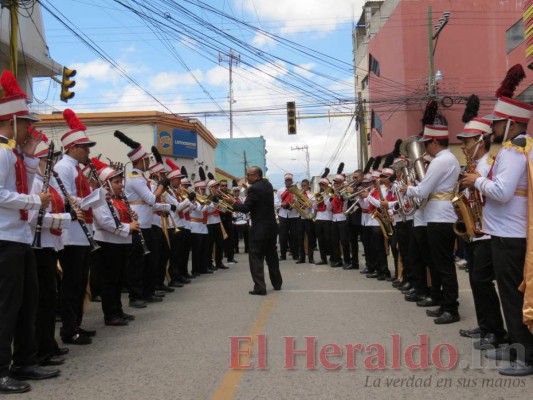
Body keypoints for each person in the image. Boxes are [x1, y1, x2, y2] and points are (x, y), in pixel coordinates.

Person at [462, 96, 533, 376]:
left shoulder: (515, 151)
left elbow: (502, 192)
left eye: (497, 123)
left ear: (512, 124)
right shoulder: (512, 148)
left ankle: (525, 355)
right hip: (505, 232)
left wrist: (475, 180)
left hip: (510, 235)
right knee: (508, 294)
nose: (492, 127)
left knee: (513, 297)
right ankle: (516, 343)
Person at [0, 70, 59, 394]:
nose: (30, 129)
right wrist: (34, 199)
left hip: (19, 238)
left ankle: (25, 360)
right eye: (25, 124)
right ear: (11, 122)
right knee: (7, 307)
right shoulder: (0, 153)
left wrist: (32, 152)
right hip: (5, 239)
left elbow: (25, 174)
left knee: (26, 302)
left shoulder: (13, 155)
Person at [455, 118, 506, 350]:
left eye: (468, 141)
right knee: (477, 282)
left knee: (482, 281)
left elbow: (494, 194)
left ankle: (495, 331)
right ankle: (485, 326)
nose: (464, 145)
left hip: (487, 231)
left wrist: (475, 184)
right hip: (477, 230)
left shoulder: (489, 164)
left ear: (481, 141)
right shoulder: (475, 166)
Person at [403, 125, 461, 324]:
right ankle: (446, 304)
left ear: (435, 142)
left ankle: (451, 308)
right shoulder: (449, 159)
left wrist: (408, 188)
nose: (426, 148)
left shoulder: (440, 161)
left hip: (439, 217)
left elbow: (422, 191)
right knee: (441, 264)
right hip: (440, 215)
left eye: (427, 144)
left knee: (444, 265)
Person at [53, 109, 98, 345]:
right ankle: (69, 330)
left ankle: (76, 325)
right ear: (72, 147)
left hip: (81, 233)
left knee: (80, 283)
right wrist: (92, 199)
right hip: (71, 235)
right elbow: (65, 199)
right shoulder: (64, 167)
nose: (88, 152)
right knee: (71, 285)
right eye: (85, 147)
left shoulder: (76, 168)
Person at [226, 166, 282, 295]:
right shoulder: (267, 185)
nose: (247, 177)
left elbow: (245, 208)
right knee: (272, 257)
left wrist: (232, 202)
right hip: (271, 228)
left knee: (256, 258)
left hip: (259, 229)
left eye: (249, 175)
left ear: (256, 176)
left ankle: (260, 287)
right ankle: (277, 283)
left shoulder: (254, 189)